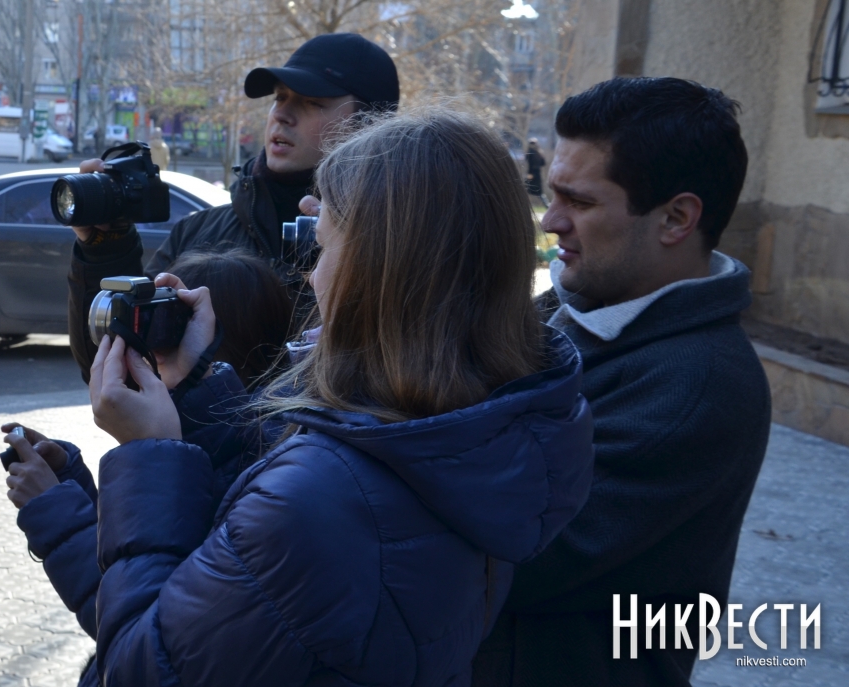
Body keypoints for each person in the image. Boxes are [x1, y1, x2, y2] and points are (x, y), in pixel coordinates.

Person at [46, 108, 595, 686]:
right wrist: (198, 385)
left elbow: (139, 669)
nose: (311, 278)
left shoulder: (312, 502)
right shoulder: (485, 426)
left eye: (324, 248)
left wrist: (149, 455)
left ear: (376, 274)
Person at [472, 77, 771, 687]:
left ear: (676, 218)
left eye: (578, 202)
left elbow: (510, 557)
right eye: (551, 195)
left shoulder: (698, 386)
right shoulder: (570, 306)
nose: (551, 220)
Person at [0, 249, 292, 686]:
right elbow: (145, 552)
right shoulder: (243, 439)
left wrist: (57, 511)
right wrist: (70, 482)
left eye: (161, 324)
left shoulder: (266, 478)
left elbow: (143, 637)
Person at [65, 32, 399, 380]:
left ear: (368, 125)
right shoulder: (197, 233)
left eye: (312, 102)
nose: (282, 114)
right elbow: (111, 371)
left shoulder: (391, 248)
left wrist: (351, 248)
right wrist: (105, 247)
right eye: (279, 97)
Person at [525, 138, 548, 207]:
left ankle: (525, 205)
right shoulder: (539, 152)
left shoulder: (531, 152)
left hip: (532, 174)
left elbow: (530, 164)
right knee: (538, 192)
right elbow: (543, 163)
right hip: (537, 174)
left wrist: (530, 174)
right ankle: (547, 205)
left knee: (527, 190)